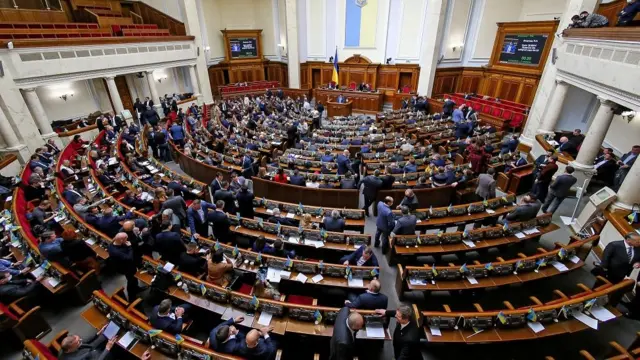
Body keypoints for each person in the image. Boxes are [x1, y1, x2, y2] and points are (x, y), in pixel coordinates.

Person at [108, 232, 141, 301]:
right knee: (131, 281)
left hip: (129, 266)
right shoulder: (116, 252)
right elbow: (129, 258)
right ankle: (132, 297)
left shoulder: (114, 243)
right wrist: (129, 247)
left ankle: (137, 288)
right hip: (126, 268)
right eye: (126, 239)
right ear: (121, 240)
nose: (127, 240)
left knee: (134, 278)